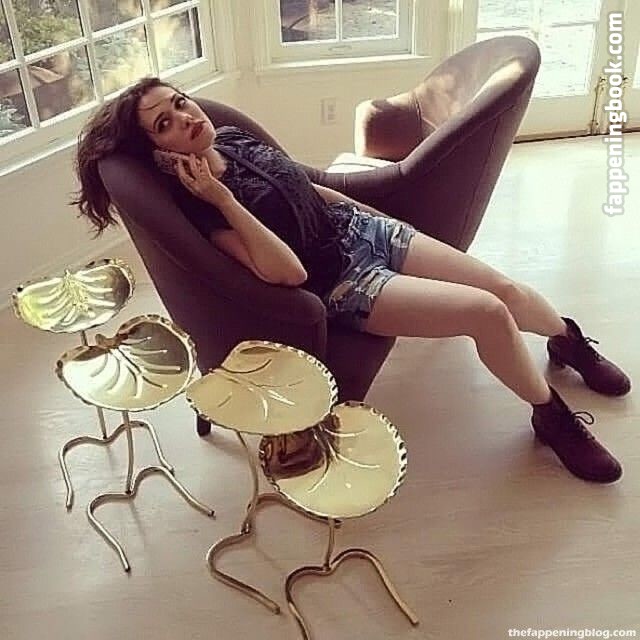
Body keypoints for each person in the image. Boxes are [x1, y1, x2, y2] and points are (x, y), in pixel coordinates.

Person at [72, 76, 631, 484]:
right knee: (487, 313)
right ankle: (550, 416)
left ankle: (566, 340)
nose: (186, 117)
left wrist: (381, 222)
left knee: (502, 289)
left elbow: (305, 186)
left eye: (179, 102)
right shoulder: (201, 209)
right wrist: (222, 198)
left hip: (361, 231)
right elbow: (289, 272)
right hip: (343, 283)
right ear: (160, 152)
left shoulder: (232, 138)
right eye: (165, 124)